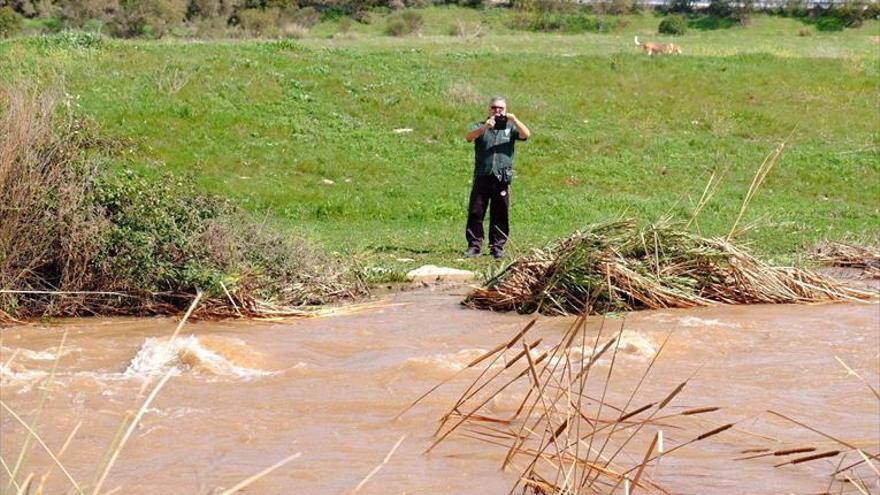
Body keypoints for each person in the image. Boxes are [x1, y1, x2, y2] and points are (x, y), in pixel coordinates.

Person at [463, 96, 531, 259]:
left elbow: (526, 134)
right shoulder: (481, 125)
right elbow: (468, 137)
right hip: (482, 174)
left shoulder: (510, 128)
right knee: (476, 211)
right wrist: (486, 127)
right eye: (494, 107)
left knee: (500, 212)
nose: (497, 111)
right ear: (489, 109)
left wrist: (514, 119)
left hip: (502, 177)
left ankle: (497, 246)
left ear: (505, 110)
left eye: (500, 108)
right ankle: (474, 246)